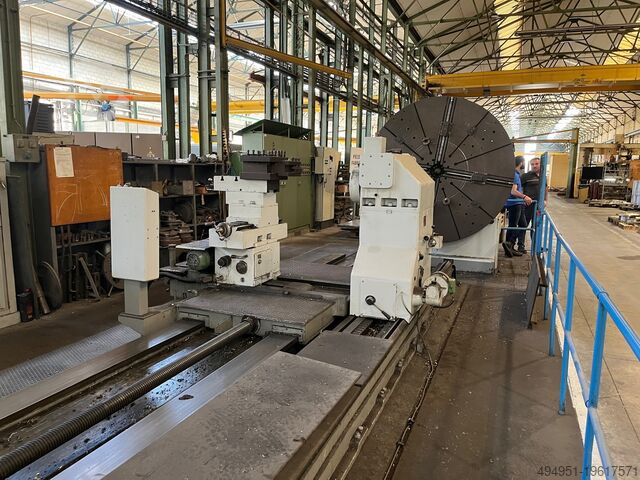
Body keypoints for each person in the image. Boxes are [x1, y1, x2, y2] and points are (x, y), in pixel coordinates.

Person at [503, 156, 532, 258]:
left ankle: (510, 245)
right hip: (515, 204)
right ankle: (508, 244)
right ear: (521, 163)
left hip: (518, 203)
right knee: (513, 225)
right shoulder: (515, 175)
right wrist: (525, 197)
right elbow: (513, 191)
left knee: (522, 224)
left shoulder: (516, 174)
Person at [520, 157, 548, 251]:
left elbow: (546, 188)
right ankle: (521, 246)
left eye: (536, 164)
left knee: (536, 226)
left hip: (538, 206)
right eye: (532, 164)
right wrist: (523, 198)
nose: (534, 166)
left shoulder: (543, 176)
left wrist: (545, 200)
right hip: (528, 205)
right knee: (524, 225)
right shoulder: (525, 176)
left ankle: (536, 246)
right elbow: (518, 188)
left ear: (541, 164)